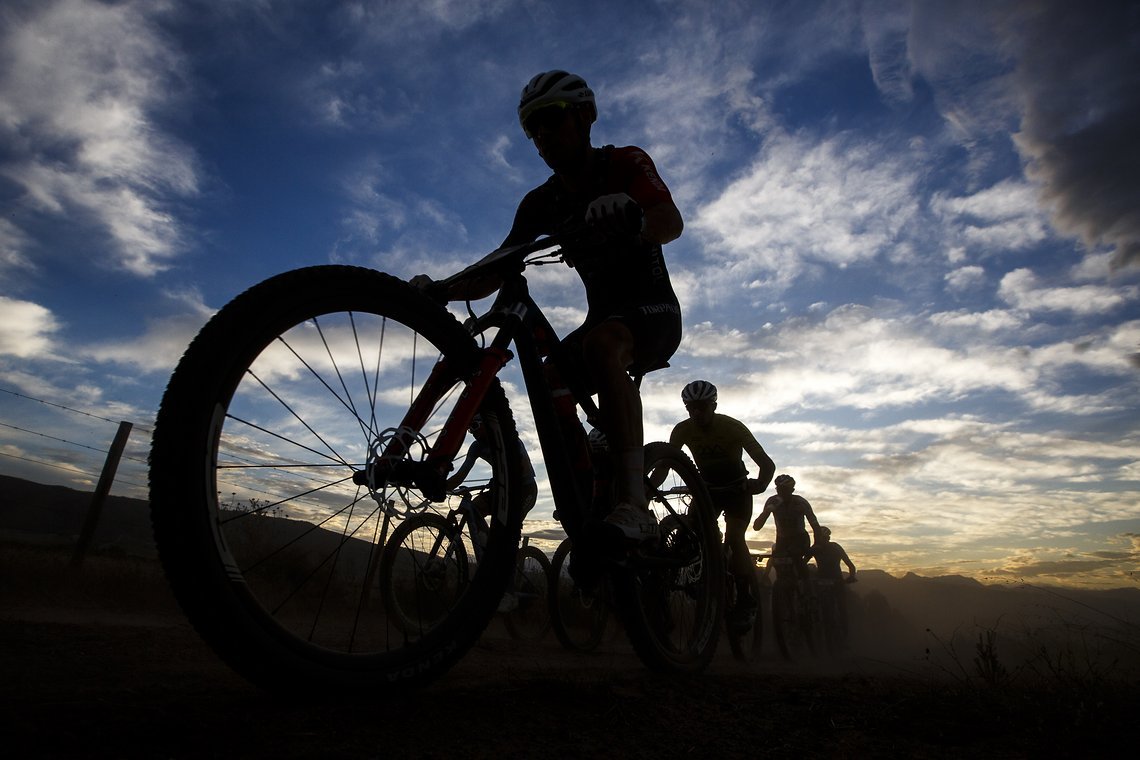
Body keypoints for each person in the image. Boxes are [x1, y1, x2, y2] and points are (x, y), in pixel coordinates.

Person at [417, 70, 684, 543]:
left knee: (603, 345)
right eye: (530, 128)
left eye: (550, 120)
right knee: (550, 379)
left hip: (652, 314)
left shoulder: (624, 162)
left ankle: (634, 505)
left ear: (584, 117)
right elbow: (498, 266)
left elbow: (670, 220)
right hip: (602, 320)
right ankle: (588, 496)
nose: (540, 136)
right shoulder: (542, 201)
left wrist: (633, 214)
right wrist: (442, 288)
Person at [666, 379, 775, 624]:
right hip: (708, 492)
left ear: (713, 405)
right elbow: (666, 464)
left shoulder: (733, 427)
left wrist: (759, 485)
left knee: (735, 538)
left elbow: (767, 465)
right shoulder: (682, 430)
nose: (697, 412)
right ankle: (692, 576)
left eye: (702, 406)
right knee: (690, 530)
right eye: (691, 408)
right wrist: (647, 486)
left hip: (737, 491)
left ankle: (745, 598)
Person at [445, 414, 538, 521]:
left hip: (525, 490)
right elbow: (461, 475)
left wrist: (498, 480)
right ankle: (482, 537)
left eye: (474, 426)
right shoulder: (477, 447)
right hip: (501, 488)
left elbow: (521, 469)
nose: (472, 432)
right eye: (469, 429)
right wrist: (442, 488)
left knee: (509, 525)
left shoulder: (509, 440)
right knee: (473, 509)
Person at [753, 473, 821, 570]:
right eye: (779, 489)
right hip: (782, 540)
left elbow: (815, 526)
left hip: (800, 539)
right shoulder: (772, 501)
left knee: (798, 562)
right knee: (780, 568)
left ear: (792, 490)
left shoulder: (801, 502)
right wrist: (767, 511)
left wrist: (817, 545)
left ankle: (805, 580)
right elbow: (757, 527)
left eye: (785, 490)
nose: (781, 493)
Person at [803, 526, 856, 638]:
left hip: (823, 581)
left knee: (828, 605)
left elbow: (802, 564)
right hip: (836, 580)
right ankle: (844, 635)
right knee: (841, 608)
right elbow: (851, 566)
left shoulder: (815, 548)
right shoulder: (835, 547)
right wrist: (851, 577)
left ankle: (819, 625)